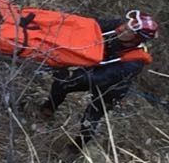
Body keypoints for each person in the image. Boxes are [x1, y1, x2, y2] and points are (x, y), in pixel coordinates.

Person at [39, 10, 158, 149]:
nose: (122, 28)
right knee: (62, 84)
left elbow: (100, 78)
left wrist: (71, 74)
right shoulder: (117, 27)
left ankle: (76, 147)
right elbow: (91, 26)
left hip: (111, 87)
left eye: (128, 30)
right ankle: (47, 110)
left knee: (91, 116)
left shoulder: (134, 62)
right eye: (125, 25)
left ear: (136, 39)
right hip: (96, 64)